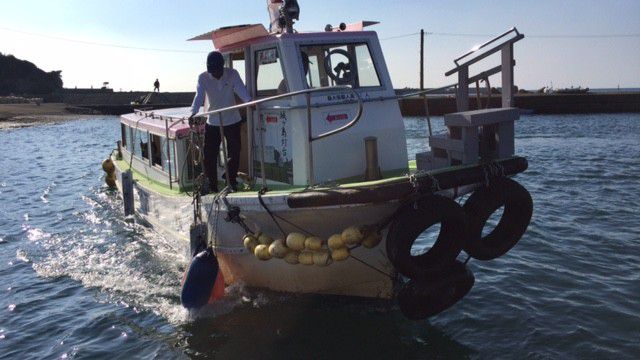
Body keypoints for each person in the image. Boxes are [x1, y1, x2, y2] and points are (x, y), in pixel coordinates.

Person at [190, 51, 251, 193]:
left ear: (222, 67)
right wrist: (192, 113)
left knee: (234, 152)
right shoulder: (203, 78)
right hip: (213, 121)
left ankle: (230, 180)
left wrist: (249, 102)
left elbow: (241, 90)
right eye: (212, 71)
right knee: (209, 155)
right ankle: (212, 184)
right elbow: (198, 96)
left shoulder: (232, 74)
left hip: (232, 120)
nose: (215, 74)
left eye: (217, 70)